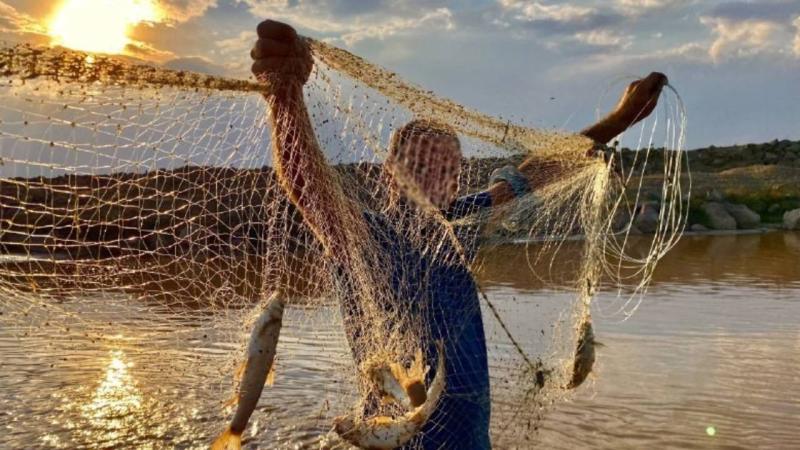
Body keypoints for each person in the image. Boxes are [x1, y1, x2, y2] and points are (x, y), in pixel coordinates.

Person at [251, 19, 666, 449]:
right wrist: (285, 95)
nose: (436, 178)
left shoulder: (460, 222)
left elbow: (536, 173)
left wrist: (618, 121)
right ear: (390, 172)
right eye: (421, 166)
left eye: (448, 169)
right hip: (399, 439)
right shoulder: (367, 236)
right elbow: (308, 186)